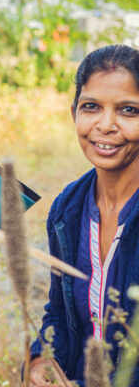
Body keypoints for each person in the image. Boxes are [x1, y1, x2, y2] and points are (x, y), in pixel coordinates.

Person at [29, 44, 139, 386]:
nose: (106, 125)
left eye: (128, 110)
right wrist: (43, 359)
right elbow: (60, 311)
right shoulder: (68, 209)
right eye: (91, 107)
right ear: (74, 112)